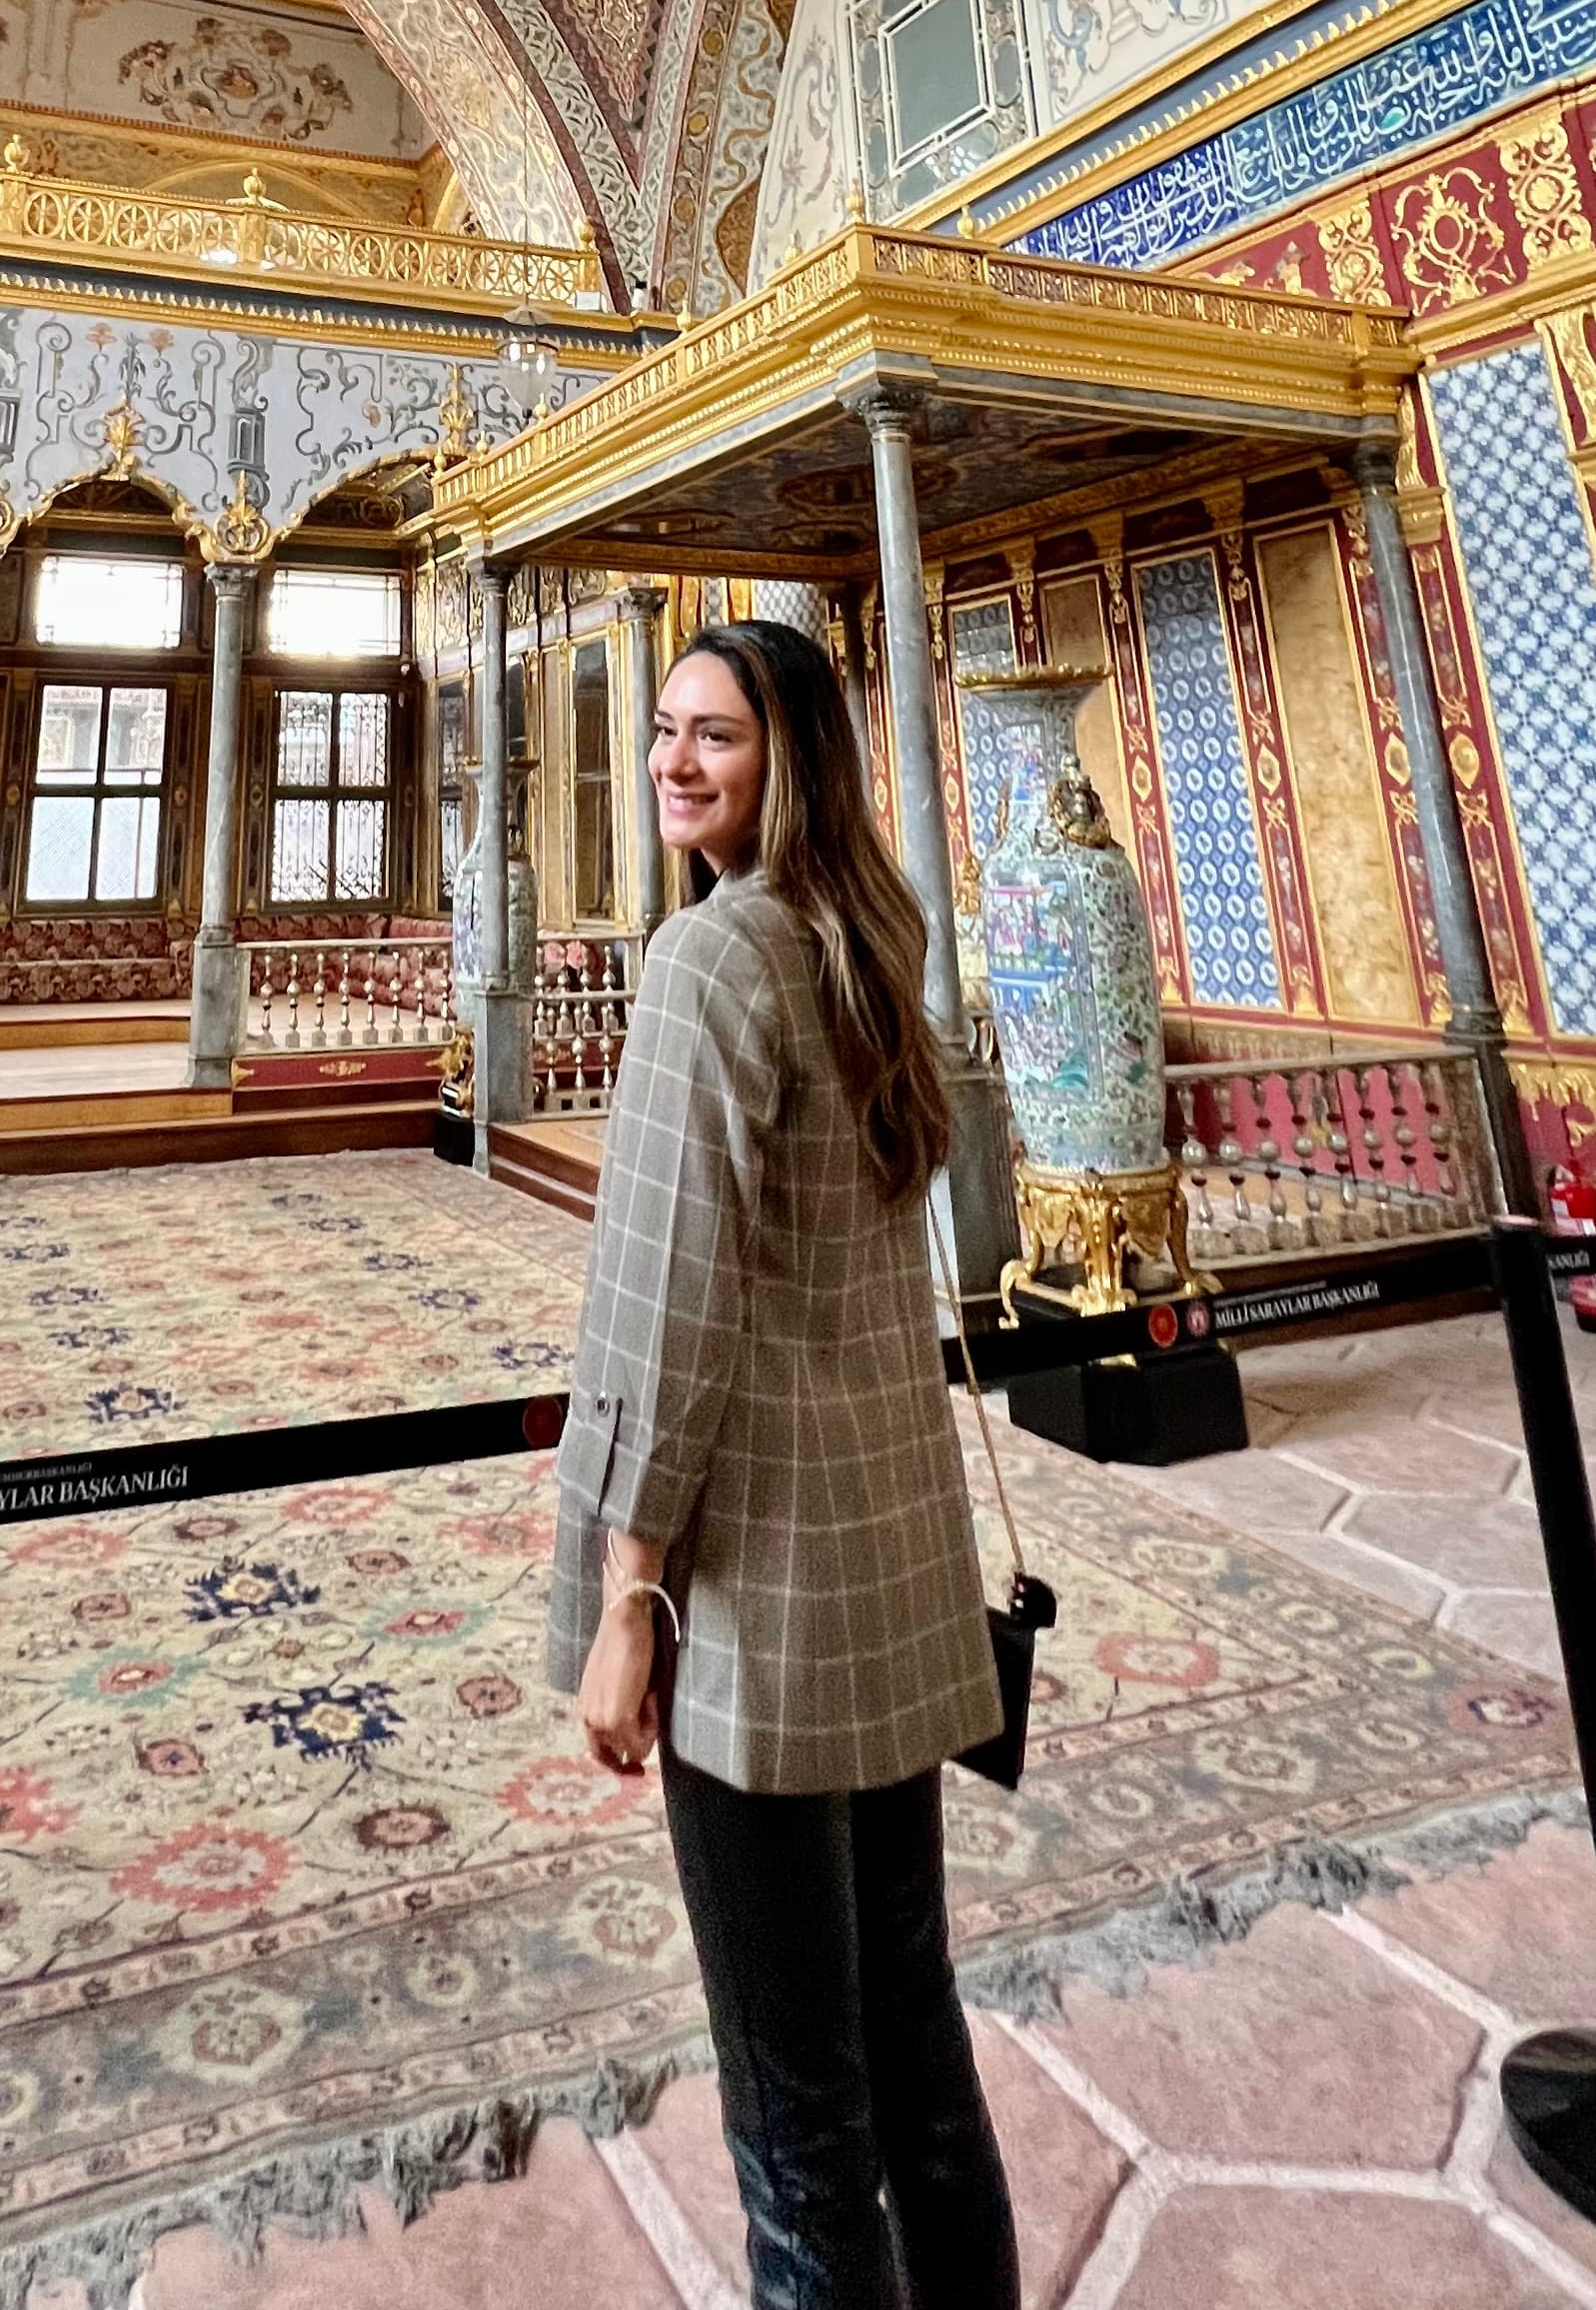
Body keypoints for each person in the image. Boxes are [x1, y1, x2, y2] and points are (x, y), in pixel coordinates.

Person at [549, 614, 1017, 2310]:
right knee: (912, 2028)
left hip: (751, 1595)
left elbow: (666, 1314)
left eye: (717, 737)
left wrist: (629, 1591)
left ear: (790, 758)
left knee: (797, 2114)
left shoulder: (712, 959)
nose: (676, 759)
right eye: (666, 728)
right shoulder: (870, 936)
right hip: (890, 1573)